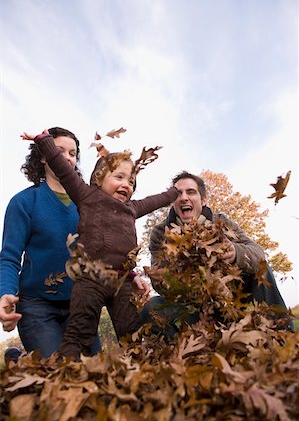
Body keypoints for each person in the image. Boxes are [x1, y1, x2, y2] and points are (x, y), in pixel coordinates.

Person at [21, 130, 179, 359]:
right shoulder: (87, 196)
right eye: (119, 177)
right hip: (90, 280)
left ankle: (141, 372)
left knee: (130, 331)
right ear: (98, 179)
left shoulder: (131, 208)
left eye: (131, 181)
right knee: (81, 331)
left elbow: (154, 201)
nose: (127, 184)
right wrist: (44, 141)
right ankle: (67, 374)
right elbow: (63, 170)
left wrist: (174, 193)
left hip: (121, 282)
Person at [141, 171, 291, 337]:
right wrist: (168, 277)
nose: (183, 197)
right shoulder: (160, 233)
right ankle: (184, 355)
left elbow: (258, 254)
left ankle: (284, 337)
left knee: (261, 269)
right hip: (192, 308)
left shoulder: (221, 222)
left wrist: (236, 252)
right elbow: (160, 285)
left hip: (231, 301)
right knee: (151, 307)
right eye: (177, 194)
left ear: (203, 200)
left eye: (191, 192)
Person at [0, 127, 102, 358]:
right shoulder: (23, 202)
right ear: (44, 156)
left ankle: (20, 361)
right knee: (57, 377)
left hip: (79, 304)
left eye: (73, 153)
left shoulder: (87, 204)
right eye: (60, 150)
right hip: (37, 305)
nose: (67, 157)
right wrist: (5, 292)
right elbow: (9, 257)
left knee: (95, 375)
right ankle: (20, 361)